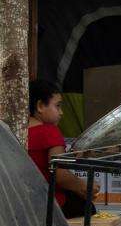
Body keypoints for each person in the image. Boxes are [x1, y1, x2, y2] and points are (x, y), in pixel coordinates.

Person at [27, 80, 98, 218]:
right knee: (86, 208)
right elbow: (60, 175)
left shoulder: (17, 132)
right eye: (58, 106)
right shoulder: (49, 131)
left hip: (26, 202)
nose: (61, 113)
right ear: (40, 106)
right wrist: (84, 186)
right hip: (51, 204)